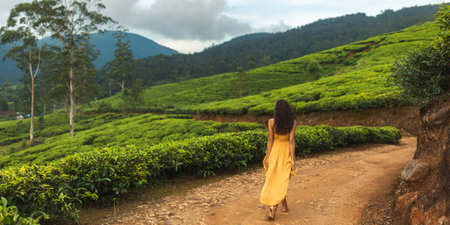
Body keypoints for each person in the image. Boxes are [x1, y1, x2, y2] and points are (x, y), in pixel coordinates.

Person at [260, 99, 297, 220]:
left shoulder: (271, 122)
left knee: (275, 179)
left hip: (274, 151)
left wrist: (268, 156)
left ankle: (284, 205)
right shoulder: (292, 122)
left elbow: (270, 140)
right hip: (285, 152)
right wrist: (293, 160)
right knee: (282, 179)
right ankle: (273, 207)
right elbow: (291, 141)